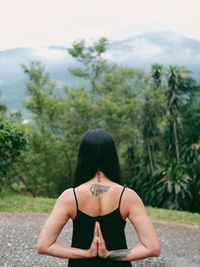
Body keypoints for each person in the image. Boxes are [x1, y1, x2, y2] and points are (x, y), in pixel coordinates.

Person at [36, 129, 160, 266]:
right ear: (112, 156)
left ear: (83, 156)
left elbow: (44, 245)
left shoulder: (70, 196)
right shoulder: (128, 196)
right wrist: (109, 254)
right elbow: (152, 248)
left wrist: (87, 253)